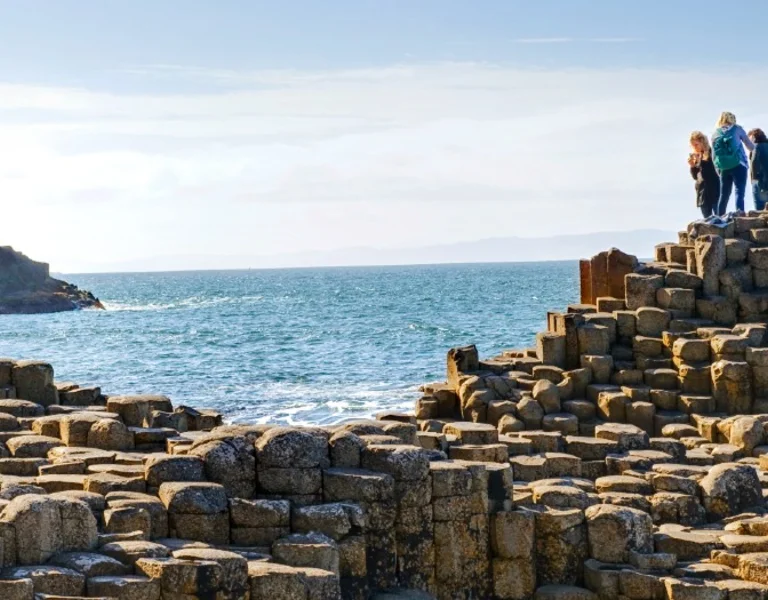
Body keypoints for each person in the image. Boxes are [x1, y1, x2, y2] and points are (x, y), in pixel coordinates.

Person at [711, 111, 754, 214]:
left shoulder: (715, 134)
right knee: (739, 191)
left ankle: (719, 217)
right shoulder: (737, 129)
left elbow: (714, 156)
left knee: (724, 194)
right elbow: (750, 147)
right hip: (739, 164)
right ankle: (740, 215)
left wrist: (719, 170)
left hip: (724, 168)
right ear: (733, 119)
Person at [688, 131, 720, 218]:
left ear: (702, 142)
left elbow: (711, 172)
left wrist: (700, 162)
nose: (695, 147)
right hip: (702, 193)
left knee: (719, 218)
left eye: (696, 144)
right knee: (707, 221)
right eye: (693, 145)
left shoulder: (711, 153)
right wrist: (692, 166)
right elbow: (696, 177)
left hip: (714, 190)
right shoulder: (698, 156)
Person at [748, 128, 768, 211]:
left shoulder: (756, 146)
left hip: (760, 183)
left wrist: (753, 178)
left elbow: (754, 162)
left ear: (753, 137)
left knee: (759, 210)